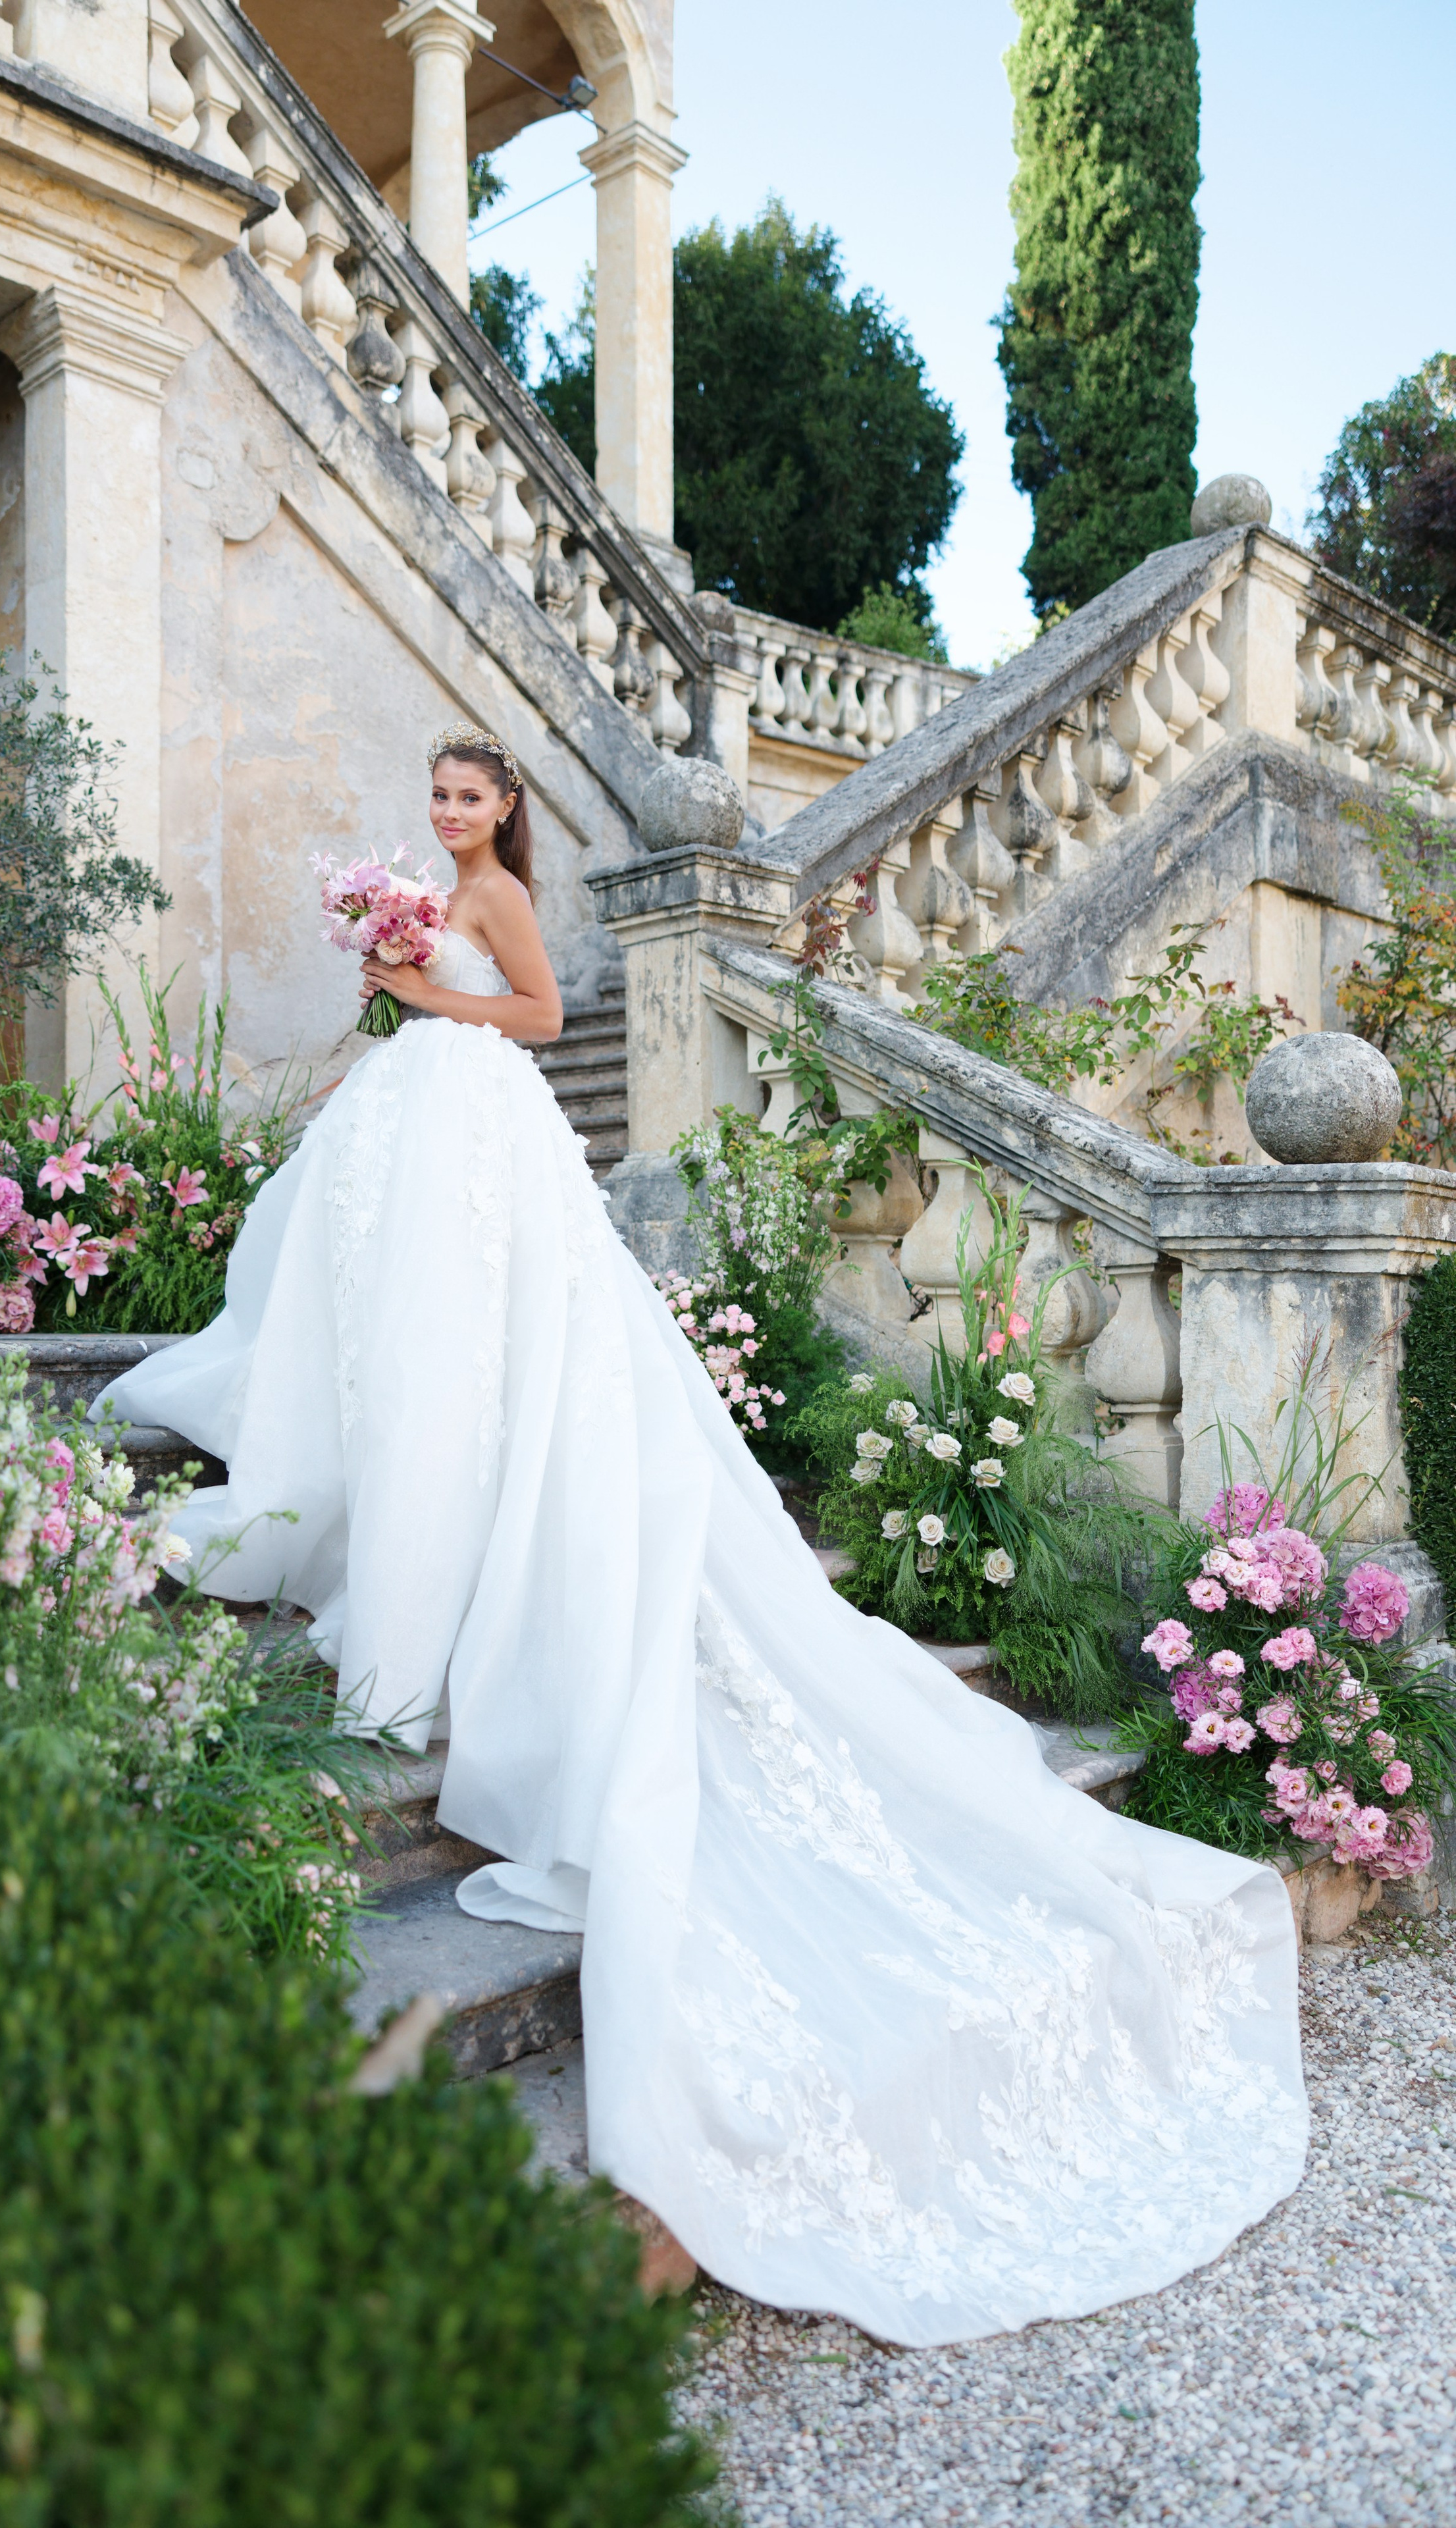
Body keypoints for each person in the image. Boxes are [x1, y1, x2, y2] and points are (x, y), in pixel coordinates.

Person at [95, 721, 1307, 2347]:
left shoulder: (504, 904)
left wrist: (427, 995)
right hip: (418, 1127)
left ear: (506, 808)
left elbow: (528, 1020)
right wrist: (383, 1006)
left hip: (484, 1130)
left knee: (487, 1363)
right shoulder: (416, 894)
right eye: (439, 793)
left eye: (471, 796)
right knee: (392, 1352)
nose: (452, 811)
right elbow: (435, 1016)